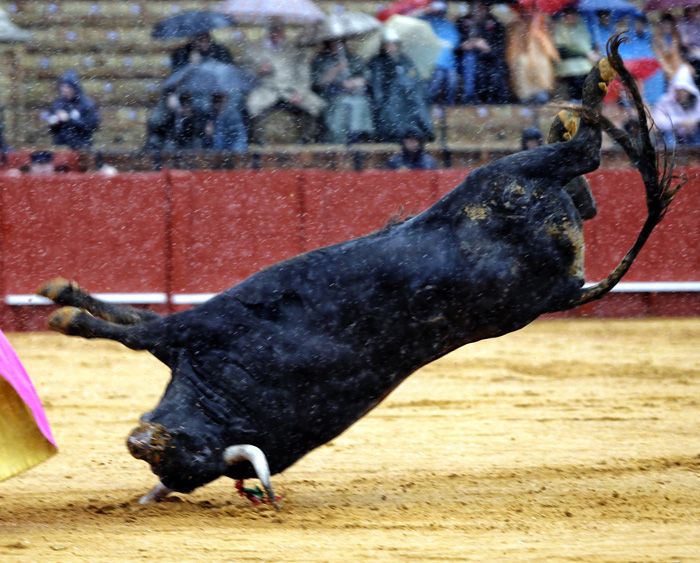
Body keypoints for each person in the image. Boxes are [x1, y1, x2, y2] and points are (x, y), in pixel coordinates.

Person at [244, 19, 325, 144]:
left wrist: (300, 92)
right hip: (266, 89)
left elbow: (304, 75)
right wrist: (258, 70)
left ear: (283, 32)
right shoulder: (254, 48)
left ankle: (306, 139)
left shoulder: (295, 49)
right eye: (273, 30)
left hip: (291, 89)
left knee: (315, 106)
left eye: (279, 30)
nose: (276, 34)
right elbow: (245, 73)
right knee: (252, 105)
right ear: (267, 31)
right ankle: (258, 140)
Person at [367, 28, 434, 143]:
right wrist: (381, 100)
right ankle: (397, 133)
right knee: (395, 106)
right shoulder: (377, 62)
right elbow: (377, 85)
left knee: (417, 100)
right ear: (383, 46)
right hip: (389, 97)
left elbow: (415, 77)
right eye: (388, 44)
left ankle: (423, 130)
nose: (391, 47)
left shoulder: (405, 60)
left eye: (394, 44)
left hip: (408, 94)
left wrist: (409, 85)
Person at [311, 39, 374, 144]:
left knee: (359, 103)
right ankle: (337, 139)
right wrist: (336, 69)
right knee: (341, 105)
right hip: (331, 94)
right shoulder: (321, 59)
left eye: (340, 44)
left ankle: (357, 136)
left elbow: (365, 76)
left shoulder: (354, 58)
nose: (337, 46)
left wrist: (354, 82)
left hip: (354, 93)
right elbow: (319, 82)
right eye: (334, 43)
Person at [455, 1, 510, 104]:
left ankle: (495, 98)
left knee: (496, 70)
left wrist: (487, 48)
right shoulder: (461, 22)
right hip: (465, 60)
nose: (477, 9)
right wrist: (462, 47)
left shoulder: (496, 24)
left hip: (489, 60)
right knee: (470, 59)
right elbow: (454, 46)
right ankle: (469, 96)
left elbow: (501, 48)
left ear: (487, 8)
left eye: (481, 6)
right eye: (474, 6)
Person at [506, 11, 559, 104]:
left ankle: (539, 93)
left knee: (541, 67)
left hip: (539, 61)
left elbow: (549, 47)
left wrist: (538, 31)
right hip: (523, 60)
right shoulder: (517, 26)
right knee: (522, 65)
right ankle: (528, 96)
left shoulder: (541, 27)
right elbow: (513, 49)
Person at [45, 70, 100, 150]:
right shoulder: (57, 103)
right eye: (63, 86)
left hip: (81, 147)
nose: (65, 90)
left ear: (75, 87)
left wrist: (69, 119)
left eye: (68, 87)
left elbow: (93, 126)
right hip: (61, 148)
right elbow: (52, 129)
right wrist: (55, 121)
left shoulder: (86, 104)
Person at [552, 7, 596, 102]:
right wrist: (585, 54)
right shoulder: (559, 28)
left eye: (574, 14)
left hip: (586, 66)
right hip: (570, 67)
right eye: (569, 15)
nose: (572, 17)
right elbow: (562, 50)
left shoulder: (581, 26)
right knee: (576, 91)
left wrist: (592, 52)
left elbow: (587, 44)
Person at [420, 1, 460, 105]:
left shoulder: (448, 24)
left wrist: (440, 42)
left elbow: (454, 41)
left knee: (452, 82)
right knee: (436, 80)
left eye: (441, 8)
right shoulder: (424, 21)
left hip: (448, 63)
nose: (438, 11)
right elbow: (423, 39)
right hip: (431, 62)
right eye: (436, 8)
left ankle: (449, 106)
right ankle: (427, 103)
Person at [651, 63, 700, 147]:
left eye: (683, 90)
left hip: (693, 136)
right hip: (673, 138)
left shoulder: (697, 100)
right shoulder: (665, 101)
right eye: (678, 90)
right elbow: (657, 121)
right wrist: (679, 122)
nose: (680, 94)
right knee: (668, 135)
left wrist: (694, 122)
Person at [145, 91, 210, 150]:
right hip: (174, 142)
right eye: (183, 105)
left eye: (187, 106)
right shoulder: (173, 114)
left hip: (187, 143)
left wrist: (189, 120)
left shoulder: (194, 116)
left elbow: (196, 132)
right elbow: (165, 127)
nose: (185, 109)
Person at [679, 6, 700, 85]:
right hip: (689, 51)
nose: (692, 13)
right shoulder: (683, 23)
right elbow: (684, 42)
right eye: (689, 11)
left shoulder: (697, 22)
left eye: (694, 11)